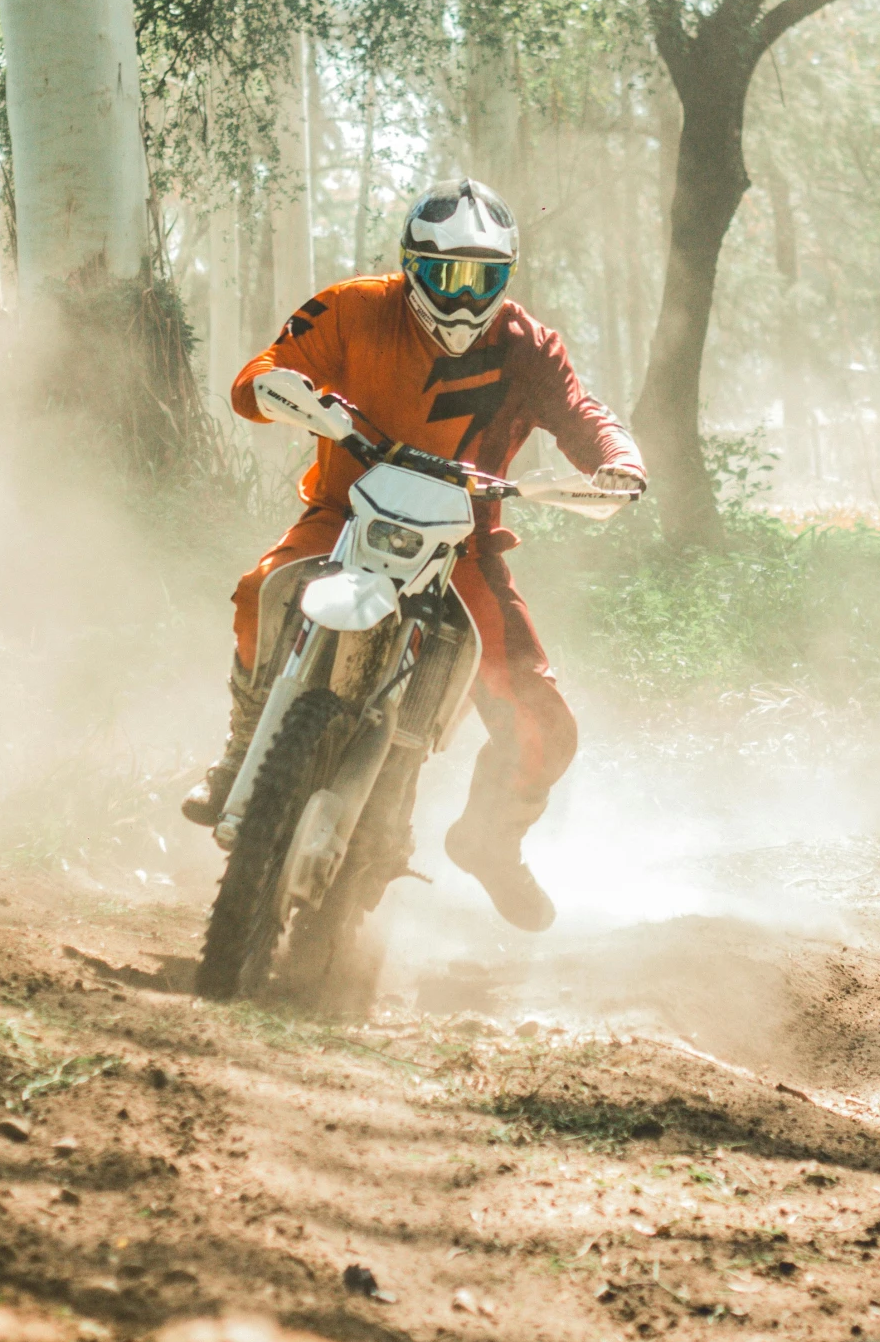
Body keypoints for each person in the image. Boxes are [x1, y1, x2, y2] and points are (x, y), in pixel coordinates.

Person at [180, 178, 645, 932]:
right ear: (411, 266)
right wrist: (287, 392)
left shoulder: (527, 347)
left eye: (484, 279)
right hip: (343, 515)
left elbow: (582, 412)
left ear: (507, 277)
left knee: (547, 725)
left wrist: (618, 458)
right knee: (257, 592)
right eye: (445, 275)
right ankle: (240, 749)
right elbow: (255, 378)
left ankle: (491, 839)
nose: (464, 297)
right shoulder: (355, 308)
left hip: (465, 548)